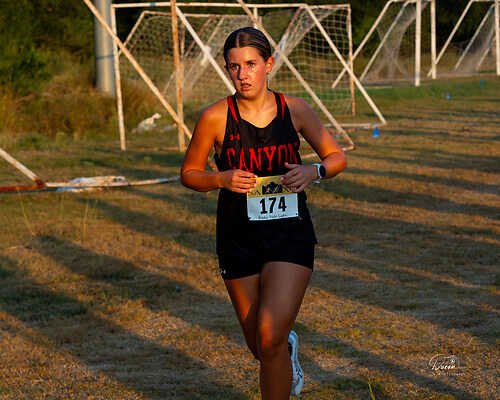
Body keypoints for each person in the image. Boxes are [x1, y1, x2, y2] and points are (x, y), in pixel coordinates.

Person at [180, 27, 346, 399]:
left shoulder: (295, 110)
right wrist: (220, 178)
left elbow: (336, 157)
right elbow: (189, 173)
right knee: (261, 347)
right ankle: (287, 349)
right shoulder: (214, 117)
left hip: (290, 237)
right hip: (238, 240)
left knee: (268, 338)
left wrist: (314, 171)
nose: (243, 74)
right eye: (234, 66)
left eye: (251, 64)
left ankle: (280, 350)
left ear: (268, 64)